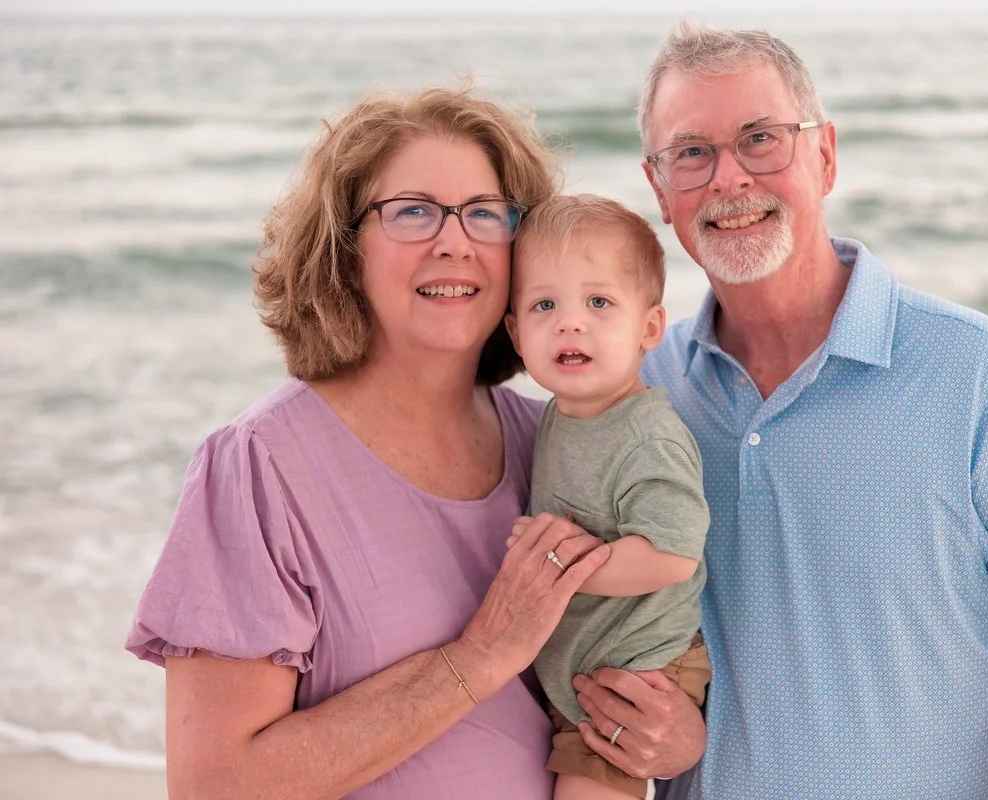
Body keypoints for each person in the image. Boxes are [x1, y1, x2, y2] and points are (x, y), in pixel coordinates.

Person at [572, 21, 988, 799]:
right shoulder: (647, 393)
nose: (728, 178)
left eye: (761, 139)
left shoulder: (981, 378)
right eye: (692, 153)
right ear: (658, 189)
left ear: (824, 157)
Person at [124, 88, 704, 798]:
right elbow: (215, 786)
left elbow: (627, 653)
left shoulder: (550, 440)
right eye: (412, 212)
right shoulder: (260, 467)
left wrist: (674, 740)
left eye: (484, 214)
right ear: (346, 247)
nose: (454, 241)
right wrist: (479, 656)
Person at [504, 194, 712, 799]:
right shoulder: (556, 418)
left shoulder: (648, 436)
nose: (571, 322)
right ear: (516, 333)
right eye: (545, 304)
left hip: (642, 671)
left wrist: (557, 568)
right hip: (584, 664)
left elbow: (673, 555)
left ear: (649, 327)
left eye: (599, 302)